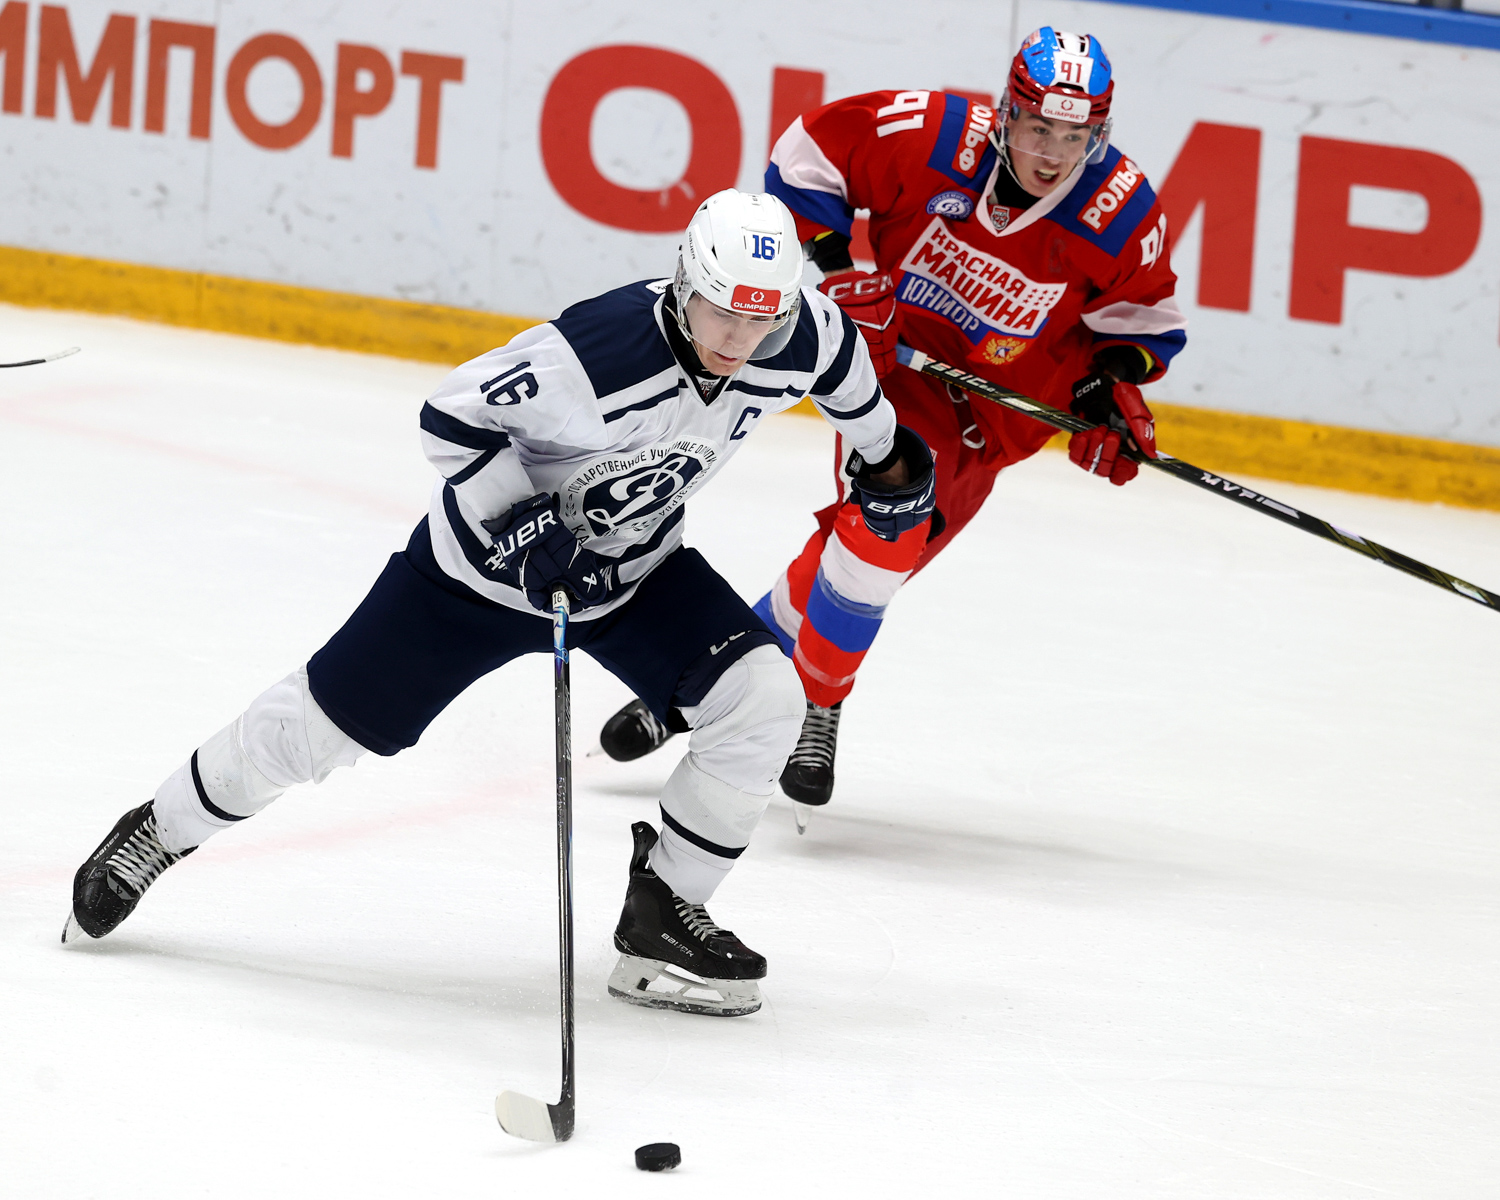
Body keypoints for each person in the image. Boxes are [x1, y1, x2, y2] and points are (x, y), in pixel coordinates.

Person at [62, 189, 936, 1017]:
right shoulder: (593, 355)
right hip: (472, 579)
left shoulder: (800, 331)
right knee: (314, 732)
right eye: (723, 313)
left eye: (762, 318)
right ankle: (158, 831)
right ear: (683, 284)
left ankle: (663, 914)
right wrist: (524, 521)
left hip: (634, 576)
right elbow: (448, 417)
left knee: (765, 698)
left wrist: (889, 461)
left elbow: (852, 389)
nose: (741, 338)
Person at [599, 28, 1186, 824]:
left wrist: (1106, 391)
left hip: (1001, 424)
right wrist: (841, 268)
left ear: (1099, 135)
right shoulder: (934, 135)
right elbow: (807, 157)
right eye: (1039, 127)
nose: (1053, 153)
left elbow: (1141, 324)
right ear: (1007, 113)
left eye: (1074, 136)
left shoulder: (1121, 210)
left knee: (858, 567)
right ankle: (819, 701)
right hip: (896, 378)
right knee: (884, 534)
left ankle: (690, 689)